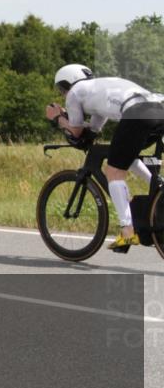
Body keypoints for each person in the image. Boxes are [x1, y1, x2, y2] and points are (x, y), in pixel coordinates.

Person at [46, 64, 164, 252]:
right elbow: (92, 131)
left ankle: (127, 232)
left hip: (138, 113)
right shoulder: (98, 90)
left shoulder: (76, 92)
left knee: (113, 171)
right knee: (124, 155)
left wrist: (57, 117)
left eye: (61, 89)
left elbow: (76, 131)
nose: (62, 95)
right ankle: (159, 189)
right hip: (158, 108)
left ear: (68, 83)